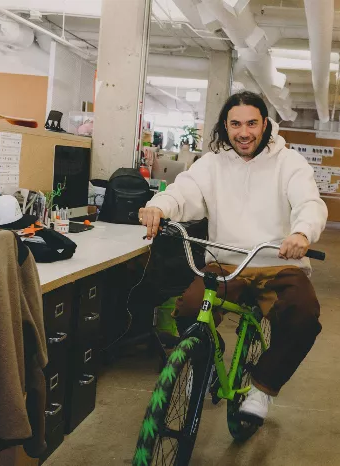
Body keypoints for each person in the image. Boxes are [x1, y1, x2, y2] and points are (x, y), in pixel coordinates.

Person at [139, 91, 328, 422]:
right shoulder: (211, 164)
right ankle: (206, 362)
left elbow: (308, 202)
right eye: (236, 124)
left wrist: (302, 232)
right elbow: (183, 192)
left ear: (265, 124)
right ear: (225, 126)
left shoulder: (289, 162)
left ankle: (262, 386)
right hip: (226, 264)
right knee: (188, 309)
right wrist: (158, 207)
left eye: (252, 123)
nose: (244, 132)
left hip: (277, 263)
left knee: (303, 315)